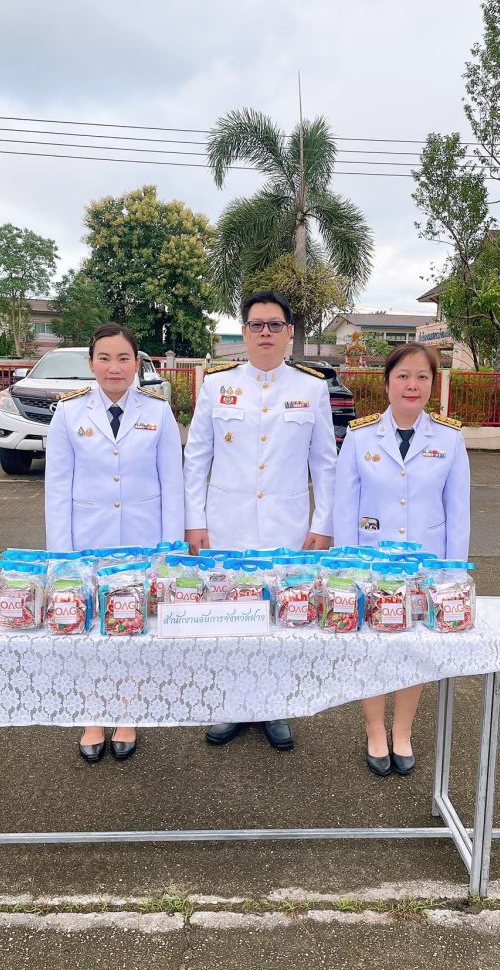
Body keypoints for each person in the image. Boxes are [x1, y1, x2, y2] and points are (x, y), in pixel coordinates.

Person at [184, 291, 337, 750]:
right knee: (228, 612)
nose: (265, 332)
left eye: (274, 325)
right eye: (257, 324)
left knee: (282, 612)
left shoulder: (311, 388)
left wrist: (323, 523)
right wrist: (194, 520)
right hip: (226, 523)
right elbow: (197, 458)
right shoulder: (217, 385)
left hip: (286, 524)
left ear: (289, 333)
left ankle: (275, 705)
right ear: (244, 332)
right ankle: (232, 703)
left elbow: (324, 463)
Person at [45, 322, 184, 763]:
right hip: (87, 541)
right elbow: (57, 488)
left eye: (124, 358)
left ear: (137, 363)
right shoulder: (69, 413)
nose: (114, 367)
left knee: (131, 626)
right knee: (89, 628)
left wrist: (170, 552)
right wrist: (61, 558)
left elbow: (173, 484)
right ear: (91, 364)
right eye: (104, 358)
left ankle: (127, 713)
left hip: (143, 542)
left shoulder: (158, 412)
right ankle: (92, 715)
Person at [333, 342, 470, 777]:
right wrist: (347, 571)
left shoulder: (449, 438)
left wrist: (452, 579)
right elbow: (343, 510)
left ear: (433, 383)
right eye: (403, 376)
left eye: (422, 377)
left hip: (427, 569)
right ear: (387, 382)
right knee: (373, 647)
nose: (413, 385)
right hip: (371, 566)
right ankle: (375, 729)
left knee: (415, 648)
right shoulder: (360, 437)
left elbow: (459, 514)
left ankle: (403, 731)